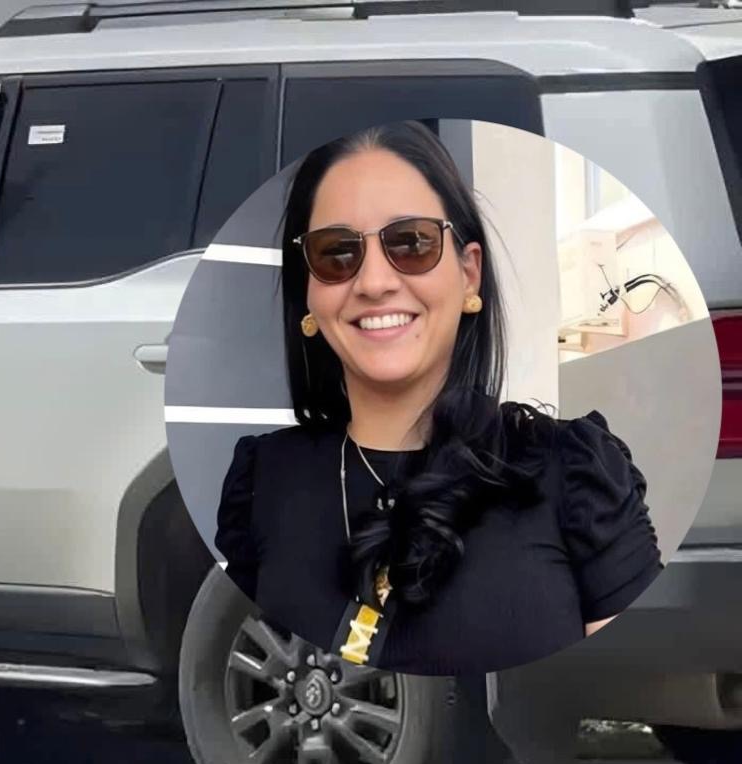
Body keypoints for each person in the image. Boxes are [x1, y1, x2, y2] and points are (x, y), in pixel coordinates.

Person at [215, 121, 662, 675]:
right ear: (308, 293)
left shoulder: (574, 471)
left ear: (469, 274)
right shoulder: (263, 480)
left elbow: (635, 684)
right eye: (336, 253)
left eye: (411, 243)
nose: (374, 282)